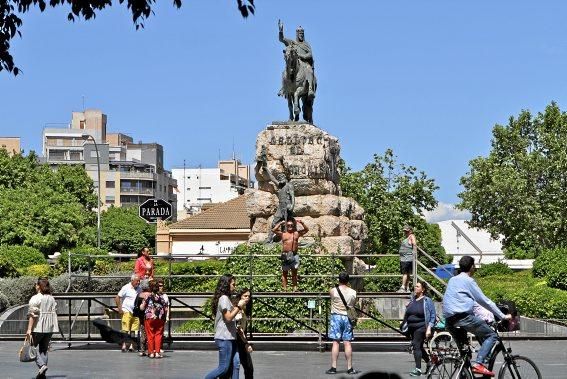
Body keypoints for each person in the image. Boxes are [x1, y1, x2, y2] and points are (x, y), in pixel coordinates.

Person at [442, 255, 513, 377]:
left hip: (449, 320)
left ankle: (464, 373)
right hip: (462, 318)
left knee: (465, 354)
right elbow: (484, 301)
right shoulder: (469, 281)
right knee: (492, 335)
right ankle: (479, 363)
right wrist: (502, 316)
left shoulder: (453, 280)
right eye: (474, 266)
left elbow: (460, 301)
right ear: (471, 267)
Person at [205, 274, 249, 379]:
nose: (235, 287)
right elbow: (228, 318)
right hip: (224, 338)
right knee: (224, 368)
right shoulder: (224, 298)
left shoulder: (227, 298)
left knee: (236, 364)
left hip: (230, 337)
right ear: (227, 285)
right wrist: (239, 306)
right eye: (233, 284)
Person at [326, 272, 359, 375]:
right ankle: (349, 367)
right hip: (347, 318)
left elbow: (331, 297)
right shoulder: (353, 292)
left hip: (336, 316)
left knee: (336, 342)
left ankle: (333, 367)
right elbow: (353, 304)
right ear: (348, 280)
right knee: (347, 342)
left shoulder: (333, 291)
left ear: (339, 280)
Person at [26, 277, 59, 379]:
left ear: (39, 286)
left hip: (38, 327)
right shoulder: (51, 298)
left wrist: (29, 329)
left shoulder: (35, 298)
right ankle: (42, 374)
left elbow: (33, 315)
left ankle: (42, 366)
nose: (35, 286)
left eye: (36, 285)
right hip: (50, 327)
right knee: (43, 350)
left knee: (31, 347)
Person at [402, 280, 436, 376]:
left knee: (416, 345)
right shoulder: (412, 299)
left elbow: (433, 315)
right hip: (411, 328)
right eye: (415, 286)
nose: (415, 288)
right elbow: (409, 313)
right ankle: (429, 362)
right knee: (419, 347)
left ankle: (418, 369)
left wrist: (429, 328)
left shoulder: (427, 300)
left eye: (417, 286)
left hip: (421, 327)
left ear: (423, 289)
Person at [278, 19, 316, 98]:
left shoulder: (306, 44)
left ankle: (310, 89)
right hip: (294, 63)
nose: (301, 35)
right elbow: (282, 39)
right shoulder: (292, 43)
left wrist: (302, 56)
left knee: (309, 69)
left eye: (302, 34)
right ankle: (284, 87)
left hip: (305, 64)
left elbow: (310, 54)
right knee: (285, 71)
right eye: (299, 33)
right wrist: (281, 31)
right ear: (297, 34)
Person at [272, 217, 309, 291]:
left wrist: (302, 223)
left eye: (291, 225)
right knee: (284, 273)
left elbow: (306, 230)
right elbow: (273, 230)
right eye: (288, 225)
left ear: (294, 226)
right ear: (286, 226)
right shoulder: (283, 234)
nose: (290, 226)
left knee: (294, 273)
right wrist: (280, 223)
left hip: (294, 255)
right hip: (285, 255)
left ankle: (295, 288)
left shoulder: (296, 234)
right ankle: (285, 289)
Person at [140, 281, 168, 358]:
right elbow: (165, 308)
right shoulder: (161, 298)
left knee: (150, 334)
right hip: (160, 317)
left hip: (149, 317)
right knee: (158, 335)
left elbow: (142, 308)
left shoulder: (147, 297)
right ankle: (157, 352)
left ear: (150, 288)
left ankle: (151, 352)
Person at [115, 274, 141, 352]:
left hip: (135, 312)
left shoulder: (139, 289)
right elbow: (117, 297)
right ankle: (124, 345)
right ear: (132, 280)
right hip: (126, 310)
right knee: (125, 329)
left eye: (139, 281)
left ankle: (131, 346)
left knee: (133, 330)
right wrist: (119, 308)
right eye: (137, 281)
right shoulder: (126, 287)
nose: (139, 282)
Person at [234, 288, 254, 379]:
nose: (247, 298)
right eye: (245, 296)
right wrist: (246, 343)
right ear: (240, 297)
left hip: (241, 340)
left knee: (248, 368)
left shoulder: (244, 308)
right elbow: (238, 329)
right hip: (237, 340)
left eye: (249, 296)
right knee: (233, 367)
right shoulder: (238, 309)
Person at [133, 279, 151, 356]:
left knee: (142, 333)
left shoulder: (139, 295)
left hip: (141, 316)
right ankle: (149, 349)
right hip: (150, 317)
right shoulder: (151, 295)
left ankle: (142, 349)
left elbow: (135, 305)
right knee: (149, 333)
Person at [398, 225, 416, 293]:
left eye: (407, 231)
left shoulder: (411, 236)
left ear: (410, 231)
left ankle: (402, 287)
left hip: (407, 258)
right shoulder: (407, 237)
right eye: (405, 231)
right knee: (407, 274)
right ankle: (407, 288)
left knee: (405, 273)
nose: (405, 232)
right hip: (404, 258)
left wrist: (414, 253)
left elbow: (414, 244)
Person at [156, 278, 170, 354]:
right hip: (154, 317)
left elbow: (167, 307)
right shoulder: (153, 295)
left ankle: (159, 347)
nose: (161, 287)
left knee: (161, 333)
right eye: (159, 285)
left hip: (162, 317)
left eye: (162, 286)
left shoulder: (165, 296)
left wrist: (167, 316)